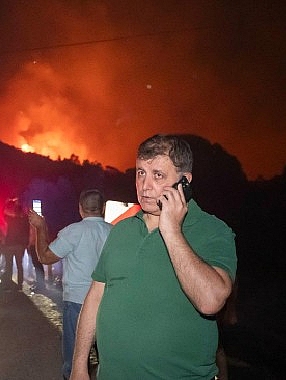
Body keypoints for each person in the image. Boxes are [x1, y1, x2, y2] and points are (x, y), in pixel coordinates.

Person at [70, 134, 237, 380]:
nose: (144, 186)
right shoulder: (121, 231)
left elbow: (210, 301)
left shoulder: (213, 231)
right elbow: (95, 297)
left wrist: (171, 231)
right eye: (140, 173)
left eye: (157, 175)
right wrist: (79, 366)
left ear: (185, 182)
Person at [28, 189, 112, 380]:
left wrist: (41, 228)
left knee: (75, 357)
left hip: (77, 301)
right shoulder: (114, 232)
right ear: (104, 208)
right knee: (106, 355)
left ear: (80, 208)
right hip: (107, 301)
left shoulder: (73, 232)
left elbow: (45, 257)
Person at [1, 198, 30, 291]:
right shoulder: (24, 218)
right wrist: (26, 243)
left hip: (9, 243)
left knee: (8, 266)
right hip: (20, 245)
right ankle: (19, 285)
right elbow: (27, 231)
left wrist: (9, 201)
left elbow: (4, 211)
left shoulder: (10, 217)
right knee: (19, 265)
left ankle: (8, 285)